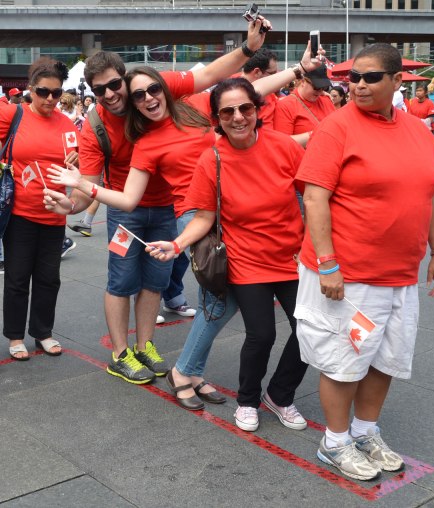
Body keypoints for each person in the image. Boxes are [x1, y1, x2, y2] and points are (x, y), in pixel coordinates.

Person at [42, 17, 273, 385]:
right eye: (101, 90)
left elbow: (211, 74)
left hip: (167, 206)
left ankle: (145, 345)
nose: (112, 94)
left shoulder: (151, 88)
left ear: (126, 79)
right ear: (93, 93)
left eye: (116, 85)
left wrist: (248, 48)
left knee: (155, 280)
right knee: (121, 281)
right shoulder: (94, 128)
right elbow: (87, 186)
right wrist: (67, 206)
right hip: (124, 209)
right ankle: (120, 354)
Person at [294, 43, 434, 481]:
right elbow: (314, 197)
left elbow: (428, 194)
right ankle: (335, 441)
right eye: (352, 78)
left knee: (385, 360)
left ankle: (365, 431)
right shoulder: (336, 128)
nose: (358, 85)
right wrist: (327, 263)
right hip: (350, 274)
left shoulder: (418, 131)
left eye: (370, 77)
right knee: (345, 361)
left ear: (397, 81)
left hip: (399, 273)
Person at [147, 77, 309, 431]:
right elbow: (204, 215)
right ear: (217, 119)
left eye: (245, 108)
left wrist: (316, 248)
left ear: (257, 109)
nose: (238, 117)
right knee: (262, 334)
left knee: (311, 332)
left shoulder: (284, 147)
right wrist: (176, 245)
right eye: (228, 111)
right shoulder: (213, 158)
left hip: (291, 258)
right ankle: (248, 400)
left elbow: (310, 197)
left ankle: (280, 395)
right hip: (247, 260)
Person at [0, 57, 78, 361]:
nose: (50, 99)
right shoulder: (12, 115)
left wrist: (77, 163)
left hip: (54, 215)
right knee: (18, 277)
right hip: (18, 213)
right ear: (31, 89)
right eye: (43, 92)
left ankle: (43, 332)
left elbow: (78, 162)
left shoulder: (67, 123)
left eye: (56, 93)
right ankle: (16, 336)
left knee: (49, 278)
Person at [274, 64, 335, 147]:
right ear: (303, 81)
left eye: (323, 87)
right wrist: (316, 134)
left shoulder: (326, 100)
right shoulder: (285, 105)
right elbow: (282, 142)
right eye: (316, 87)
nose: (320, 91)